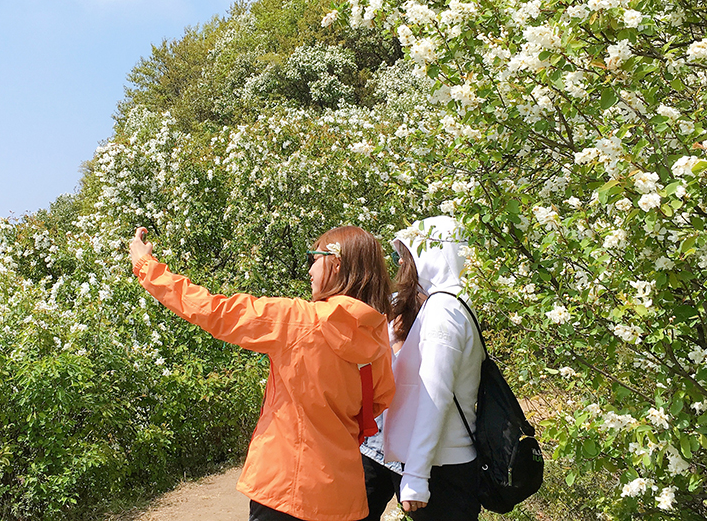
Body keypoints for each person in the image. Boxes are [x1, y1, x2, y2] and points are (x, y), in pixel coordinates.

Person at [128, 225, 396, 521]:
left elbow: (212, 311)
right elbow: (378, 403)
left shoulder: (296, 320)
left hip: (284, 490)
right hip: (344, 496)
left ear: (336, 263)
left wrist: (145, 267)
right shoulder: (376, 337)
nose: (309, 270)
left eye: (314, 258)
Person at [359, 216, 482, 521]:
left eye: (407, 253)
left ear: (432, 253)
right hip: (431, 459)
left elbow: (434, 397)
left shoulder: (444, 311)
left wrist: (415, 475)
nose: (401, 262)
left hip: (441, 467)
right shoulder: (448, 303)